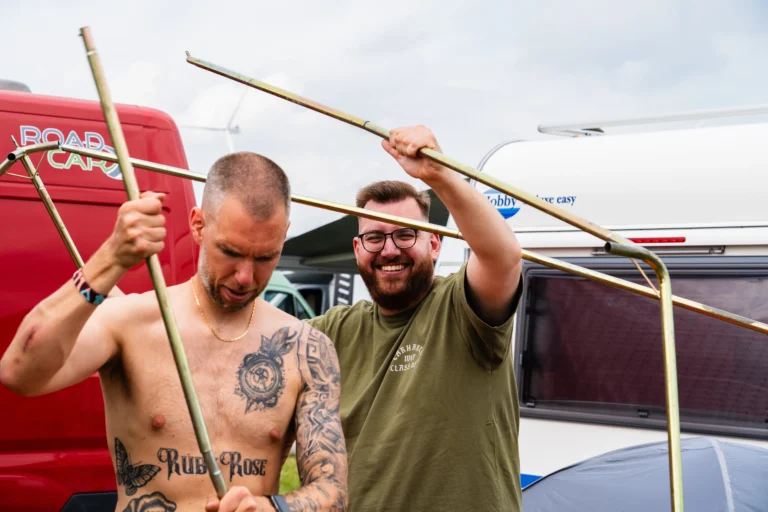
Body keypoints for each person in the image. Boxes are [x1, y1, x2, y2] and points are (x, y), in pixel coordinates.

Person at [0, 152, 348, 512]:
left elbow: (332, 492)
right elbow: (19, 372)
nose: (245, 277)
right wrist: (111, 258)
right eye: (230, 251)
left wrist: (271, 509)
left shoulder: (305, 348)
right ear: (198, 225)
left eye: (265, 257)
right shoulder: (131, 321)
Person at [306, 125, 524, 511]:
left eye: (407, 234)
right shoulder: (333, 331)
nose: (389, 250)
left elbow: (503, 258)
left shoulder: (463, 310)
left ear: (435, 244)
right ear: (358, 249)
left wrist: (438, 175)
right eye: (375, 238)